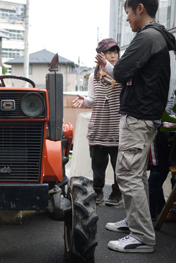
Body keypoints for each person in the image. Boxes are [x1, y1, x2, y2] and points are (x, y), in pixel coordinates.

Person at [96, 0, 176, 253]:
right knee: (137, 174)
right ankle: (134, 223)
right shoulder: (159, 35)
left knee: (128, 174)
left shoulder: (147, 37)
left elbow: (122, 73)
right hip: (147, 114)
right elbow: (128, 72)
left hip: (138, 115)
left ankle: (142, 236)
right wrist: (111, 68)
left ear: (139, 8)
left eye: (128, 12)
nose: (128, 18)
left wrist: (109, 67)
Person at [73, 38, 123, 206]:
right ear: (101, 55)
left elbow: (121, 79)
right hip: (99, 127)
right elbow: (92, 99)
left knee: (119, 166)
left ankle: (117, 193)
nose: (113, 55)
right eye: (109, 52)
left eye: (115, 52)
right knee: (98, 166)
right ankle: (98, 191)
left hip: (117, 128)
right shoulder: (94, 76)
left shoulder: (121, 72)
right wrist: (84, 100)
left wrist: (108, 67)